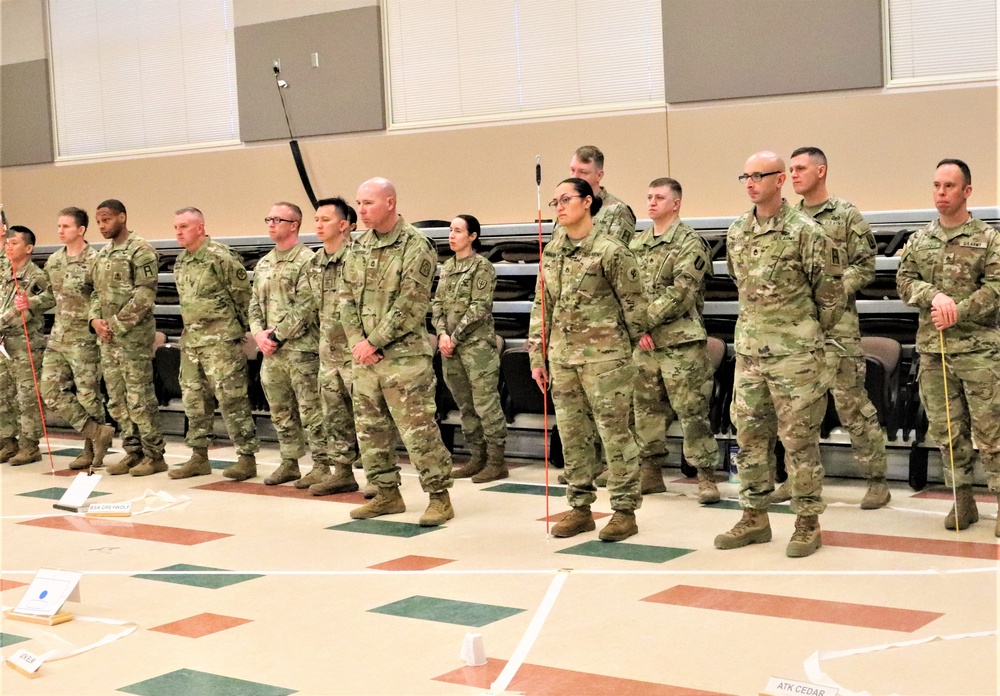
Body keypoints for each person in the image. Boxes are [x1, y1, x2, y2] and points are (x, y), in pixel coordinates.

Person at [714, 151, 844, 558]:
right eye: (745, 175)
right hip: (751, 353)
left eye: (759, 175)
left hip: (796, 357)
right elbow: (741, 283)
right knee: (749, 437)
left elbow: (831, 296)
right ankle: (754, 515)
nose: (750, 182)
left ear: (780, 179)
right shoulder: (737, 232)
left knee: (799, 441)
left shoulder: (806, 232)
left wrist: (800, 334)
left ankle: (807, 522)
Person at [529, 178, 648, 542]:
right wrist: (538, 353)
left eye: (566, 199)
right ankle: (580, 508)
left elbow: (636, 308)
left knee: (615, 436)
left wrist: (617, 348)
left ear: (587, 202)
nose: (559, 207)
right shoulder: (552, 252)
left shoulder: (611, 251)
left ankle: (624, 510)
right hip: (563, 359)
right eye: (555, 202)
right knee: (573, 436)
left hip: (605, 361)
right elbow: (541, 306)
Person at [341, 177, 455, 526]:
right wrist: (358, 343)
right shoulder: (357, 246)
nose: (361, 210)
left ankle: (439, 497)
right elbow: (344, 299)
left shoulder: (416, 245)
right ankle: (386, 493)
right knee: (370, 432)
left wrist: (373, 341)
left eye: (368, 203)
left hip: (404, 358)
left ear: (390, 202)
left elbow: (411, 304)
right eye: (359, 203)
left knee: (418, 430)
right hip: (365, 360)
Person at [782, 147, 890, 509]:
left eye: (800, 168)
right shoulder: (787, 219)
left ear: (821, 171)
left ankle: (877, 479)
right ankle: (799, 480)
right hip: (798, 331)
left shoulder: (846, 215)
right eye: (791, 168)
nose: (793, 174)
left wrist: (832, 290)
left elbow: (866, 266)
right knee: (797, 412)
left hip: (838, 329)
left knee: (853, 407)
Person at [897, 159, 1000, 535]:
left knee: (991, 432)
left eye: (949, 187)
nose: (941, 193)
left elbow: (997, 287)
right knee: (947, 433)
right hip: (934, 351)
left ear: (967, 192)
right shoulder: (921, 240)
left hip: (979, 352)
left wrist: (959, 309)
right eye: (937, 186)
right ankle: (962, 500)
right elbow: (905, 280)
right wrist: (933, 294)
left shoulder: (989, 239)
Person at [630, 178, 721, 503]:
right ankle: (650, 472)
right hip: (646, 344)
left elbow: (681, 292)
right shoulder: (637, 245)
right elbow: (628, 292)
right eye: (649, 196)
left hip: (681, 343)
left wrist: (641, 321)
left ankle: (706, 476)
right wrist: (638, 330)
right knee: (646, 411)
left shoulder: (689, 243)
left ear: (676, 203)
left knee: (692, 412)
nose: (652, 202)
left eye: (659, 197)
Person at [168, 207, 260, 480]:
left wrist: (240, 331)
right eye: (176, 227)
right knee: (194, 401)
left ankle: (246, 457)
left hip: (221, 342)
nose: (178, 232)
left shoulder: (220, 257)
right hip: (192, 341)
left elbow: (243, 296)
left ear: (200, 227)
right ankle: (199, 457)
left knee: (232, 400)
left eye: (184, 226)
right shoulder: (181, 261)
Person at [249, 202, 329, 487]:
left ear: (294, 225)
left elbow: (307, 306)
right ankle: (289, 461)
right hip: (272, 354)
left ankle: (322, 464)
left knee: (311, 410)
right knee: (280, 410)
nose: (271, 224)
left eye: (277, 219)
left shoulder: (308, 260)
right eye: (268, 218)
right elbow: (254, 305)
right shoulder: (265, 262)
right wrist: (258, 334)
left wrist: (276, 335)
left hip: (301, 350)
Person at [90, 199, 166, 476]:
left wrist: (115, 325)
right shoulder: (102, 255)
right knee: (117, 400)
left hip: (132, 339)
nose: (102, 225)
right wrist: (94, 321)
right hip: (108, 341)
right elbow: (96, 294)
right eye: (99, 221)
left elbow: (145, 296)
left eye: (106, 219)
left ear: (122, 217)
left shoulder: (141, 250)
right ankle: (132, 452)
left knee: (140, 399)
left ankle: (154, 454)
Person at [432, 214, 508, 483]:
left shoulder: (482, 267)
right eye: (450, 230)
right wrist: (442, 334)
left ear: (473, 236)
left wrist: (454, 335)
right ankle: (477, 456)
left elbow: (479, 307)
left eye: (458, 231)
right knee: (465, 405)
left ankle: (497, 460)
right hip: (450, 347)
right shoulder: (447, 268)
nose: (452, 235)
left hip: (477, 348)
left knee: (486, 403)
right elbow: (437, 305)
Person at [40, 207, 115, 470]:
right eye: (59, 226)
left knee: (88, 395)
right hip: (59, 336)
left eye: (66, 227)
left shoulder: (96, 259)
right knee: (48, 390)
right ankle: (96, 431)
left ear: (81, 230)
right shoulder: (54, 261)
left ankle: (90, 449)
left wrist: (95, 321)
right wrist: (29, 302)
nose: (60, 231)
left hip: (85, 337)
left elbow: (102, 295)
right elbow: (50, 296)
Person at [305, 197, 361, 496]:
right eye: (316, 219)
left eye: (325, 220)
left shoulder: (359, 257)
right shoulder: (314, 262)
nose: (318, 225)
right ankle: (342, 473)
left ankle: (381, 480)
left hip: (357, 353)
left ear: (343, 225)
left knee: (368, 419)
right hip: (329, 353)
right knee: (334, 417)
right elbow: (310, 306)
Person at [0, 226, 54, 465]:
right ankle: (7, 440)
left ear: (29, 248)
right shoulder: (4, 273)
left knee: (27, 395)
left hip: (24, 343)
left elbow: (43, 301)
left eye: (14, 243)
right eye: (7, 243)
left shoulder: (35, 276)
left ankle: (29, 445)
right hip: (4, 342)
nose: (8, 247)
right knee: (4, 393)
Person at [563, 145, 636, 245]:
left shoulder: (618, 211)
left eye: (583, 172)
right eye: (572, 170)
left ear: (599, 175)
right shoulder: (566, 206)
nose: (575, 177)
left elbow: (616, 255)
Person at [0, 212, 23, 463]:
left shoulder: (10, 260)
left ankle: (16, 441)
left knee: (12, 392)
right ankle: (4, 438)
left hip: (10, 332)